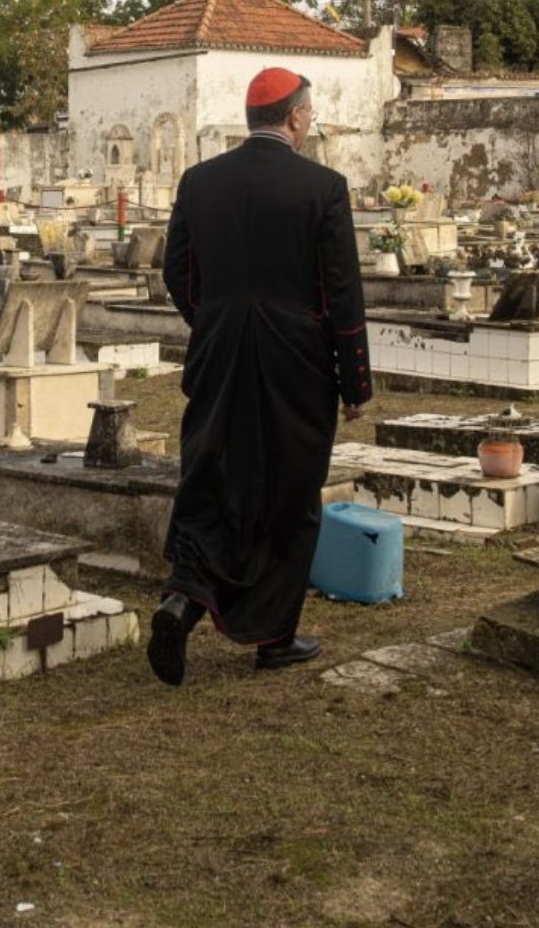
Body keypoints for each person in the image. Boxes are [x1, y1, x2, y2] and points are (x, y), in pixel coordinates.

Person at [148, 66, 370, 686]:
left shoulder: (199, 181)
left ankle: (182, 599)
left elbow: (177, 273)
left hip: (219, 353)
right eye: (311, 112)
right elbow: (341, 293)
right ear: (296, 117)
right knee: (290, 493)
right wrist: (354, 383)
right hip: (294, 361)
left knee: (211, 477)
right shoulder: (322, 186)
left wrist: (214, 320)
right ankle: (275, 636)